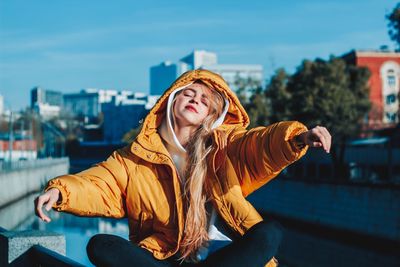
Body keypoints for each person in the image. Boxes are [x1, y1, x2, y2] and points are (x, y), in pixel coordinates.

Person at [35, 69, 331, 267]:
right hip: (165, 256)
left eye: (205, 100)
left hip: (223, 257)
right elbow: (99, 184)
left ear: (210, 115)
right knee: (101, 245)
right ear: (172, 99)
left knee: (269, 233)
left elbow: (260, 144)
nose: (195, 100)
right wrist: (60, 192)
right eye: (189, 93)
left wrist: (299, 137)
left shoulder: (225, 148)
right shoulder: (132, 159)